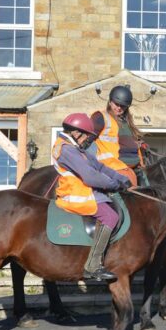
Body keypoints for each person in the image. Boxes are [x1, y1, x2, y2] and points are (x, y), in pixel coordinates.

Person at [52, 113, 132, 282]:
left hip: (85, 190)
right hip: (75, 194)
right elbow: (90, 176)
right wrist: (114, 184)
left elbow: (99, 166)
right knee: (110, 216)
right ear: (75, 132)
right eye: (86, 135)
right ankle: (92, 265)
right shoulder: (66, 150)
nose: (88, 139)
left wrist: (122, 178)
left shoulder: (75, 148)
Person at [91, 85, 145, 187]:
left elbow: (132, 142)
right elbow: (85, 139)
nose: (119, 108)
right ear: (110, 101)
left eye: (123, 106)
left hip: (134, 165)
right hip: (113, 165)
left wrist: (140, 145)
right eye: (116, 104)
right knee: (130, 179)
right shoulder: (100, 117)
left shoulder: (126, 121)